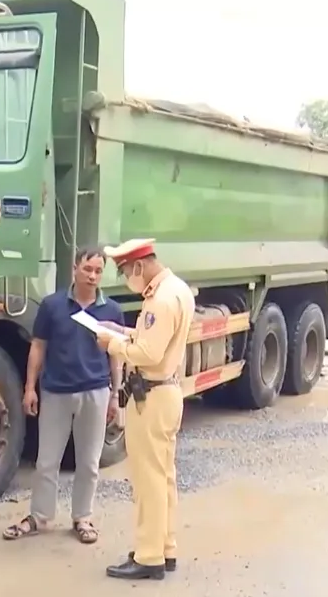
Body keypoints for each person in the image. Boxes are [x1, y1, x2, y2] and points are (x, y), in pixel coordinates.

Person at [1, 246, 124, 545]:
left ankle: (83, 517)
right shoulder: (52, 306)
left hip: (95, 391)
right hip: (55, 391)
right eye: (87, 269)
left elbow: (117, 356)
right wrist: (30, 387)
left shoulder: (112, 310)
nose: (93, 276)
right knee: (47, 461)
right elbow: (38, 347)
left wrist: (115, 395)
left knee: (89, 462)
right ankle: (40, 516)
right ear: (75, 268)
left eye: (98, 270)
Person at [95, 238, 195, 581]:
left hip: (151, 397)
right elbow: (151, 341)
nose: (125, 278)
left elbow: (148, 354)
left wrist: (112, 343)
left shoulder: (160, 300)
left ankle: (148, 556)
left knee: (148, 480)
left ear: (139, 266)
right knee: (163, 477)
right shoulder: (176, 289)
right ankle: (165, 548)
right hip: (167, 393)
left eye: (125, 271)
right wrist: (122, 331)